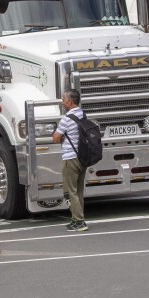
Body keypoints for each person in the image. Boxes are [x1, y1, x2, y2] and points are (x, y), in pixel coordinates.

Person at [51, 89, 89, 232]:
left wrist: (57, 135)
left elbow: (55, 138)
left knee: (70, 191)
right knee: (78, 191)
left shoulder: (67, 119)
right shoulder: (82, 115)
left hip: (70, 158)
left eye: (64, 99)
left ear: (70, 101)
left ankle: (79, 222)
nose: (62, 102)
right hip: (82, 157)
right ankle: (77, 218)